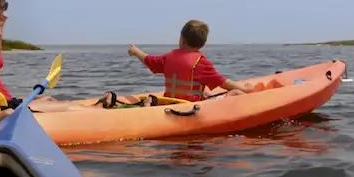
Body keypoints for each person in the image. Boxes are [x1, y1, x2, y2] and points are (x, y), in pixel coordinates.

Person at [100, 20, 253, 108]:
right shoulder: (201, 62)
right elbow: (223, 82)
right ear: (202, 44)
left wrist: (136, 51)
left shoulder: (169, 57)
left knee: (204, 91)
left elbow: (149, 61)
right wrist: (244, 89)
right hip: (189, 106)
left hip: (169, 102)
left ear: (182, 40)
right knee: (236, 93)